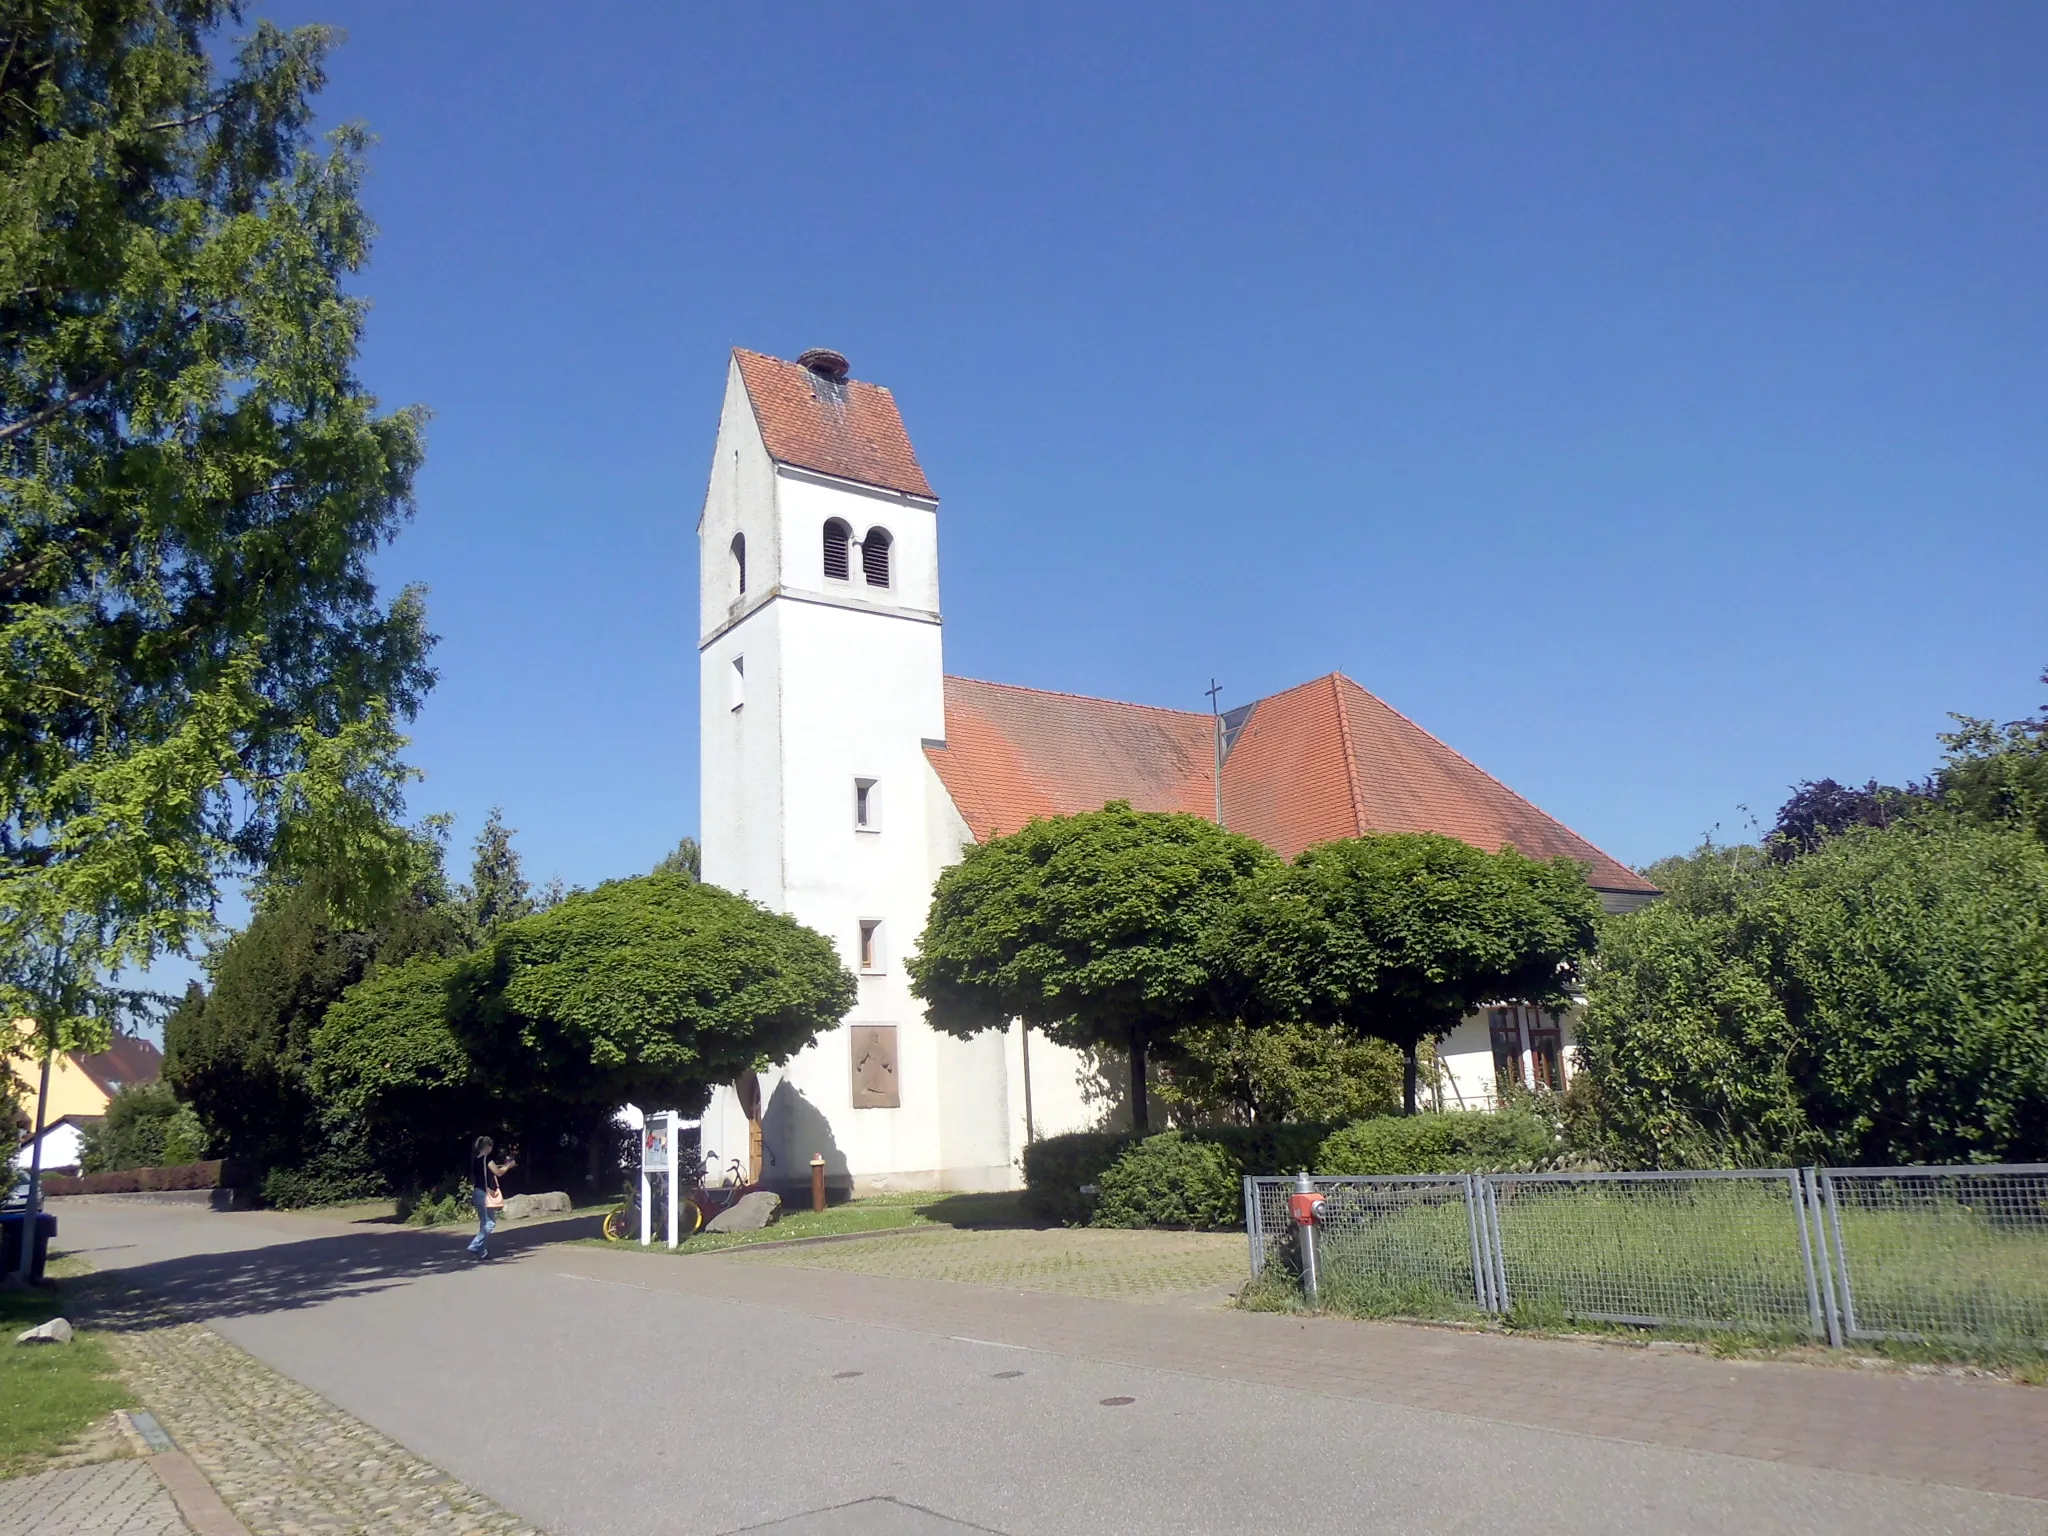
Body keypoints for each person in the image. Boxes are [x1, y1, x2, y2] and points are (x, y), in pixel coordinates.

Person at [467, 1135, 517, 1259]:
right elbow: (498, 1173)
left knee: (484, 1222)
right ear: (488, 1146)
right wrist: (508, 1166)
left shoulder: (476, 1160)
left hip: (477, 1192)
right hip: (484, 1195)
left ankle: (482, 1253)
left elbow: (483, 1176)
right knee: (490, 1223)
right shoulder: (487, 1159)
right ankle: (475, 1245)